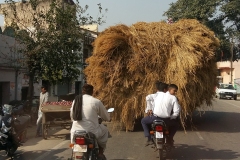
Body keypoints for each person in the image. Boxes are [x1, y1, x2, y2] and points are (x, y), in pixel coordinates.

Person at [70, 84, 110, 159]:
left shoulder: (76, 100)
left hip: (75, 132)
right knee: (105, 130)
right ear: (92, 92)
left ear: (82, 91)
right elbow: (107, 117)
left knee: (73, 146)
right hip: (91, 132)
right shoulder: (96, 102)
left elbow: (72, 117)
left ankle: (73, 154)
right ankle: (100, 153)